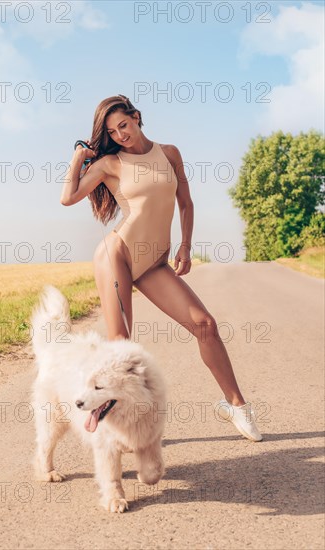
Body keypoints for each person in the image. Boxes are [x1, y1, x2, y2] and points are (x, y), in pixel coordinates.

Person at [60, 94, 262, 442]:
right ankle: (114, 430)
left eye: (123, 125)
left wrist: (185, 244)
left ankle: (237, 406)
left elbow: (186, 202)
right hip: (117, 255)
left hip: (153, 262)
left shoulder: (169, 153)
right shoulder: (110, 163)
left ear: (137, 117)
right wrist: (78, 157)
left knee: (205, 325)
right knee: (122, 347)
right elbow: (69, 197)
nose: (121, 134)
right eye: (113, 131)